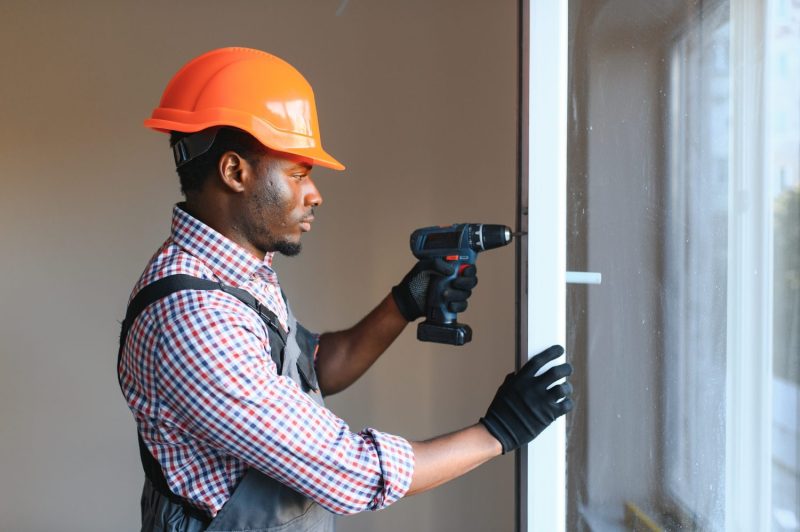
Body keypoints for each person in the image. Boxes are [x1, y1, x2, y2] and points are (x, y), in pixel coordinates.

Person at [117, 47, 574, 532]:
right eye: (298, 173)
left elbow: (314, 369)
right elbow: (351, 474)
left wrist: (405, 301)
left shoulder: (234, 274)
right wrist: (498, 432)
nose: (315, 194)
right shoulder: (196, 317)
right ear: (235, 172)